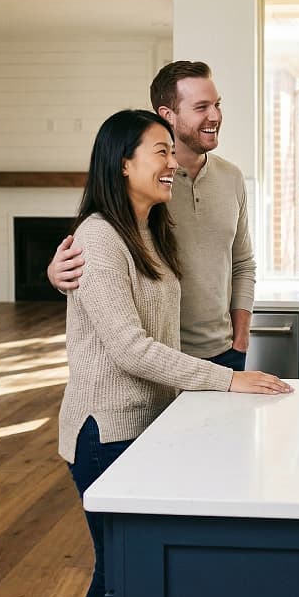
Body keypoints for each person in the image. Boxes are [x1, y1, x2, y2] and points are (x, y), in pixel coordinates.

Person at [58, 108, 292, 597]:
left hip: (149, 423)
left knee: (143, 563)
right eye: (158, 152)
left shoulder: (148, 230)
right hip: (104, 430)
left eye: (171, 151)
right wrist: (228, 378)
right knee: (116, 566)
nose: (171, 163)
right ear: (122, 163)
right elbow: (129, 348)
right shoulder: (102, 238)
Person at [49, 60, 255, 370]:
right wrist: (59, 276)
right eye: (201, 107)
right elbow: (104, 251)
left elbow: (242, 262)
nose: (215, 116)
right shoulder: (145, 187)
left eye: (217, 104)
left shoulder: (232, 178)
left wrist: (240, 338)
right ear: (167, 114)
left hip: (225, 352)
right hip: (161, 357)